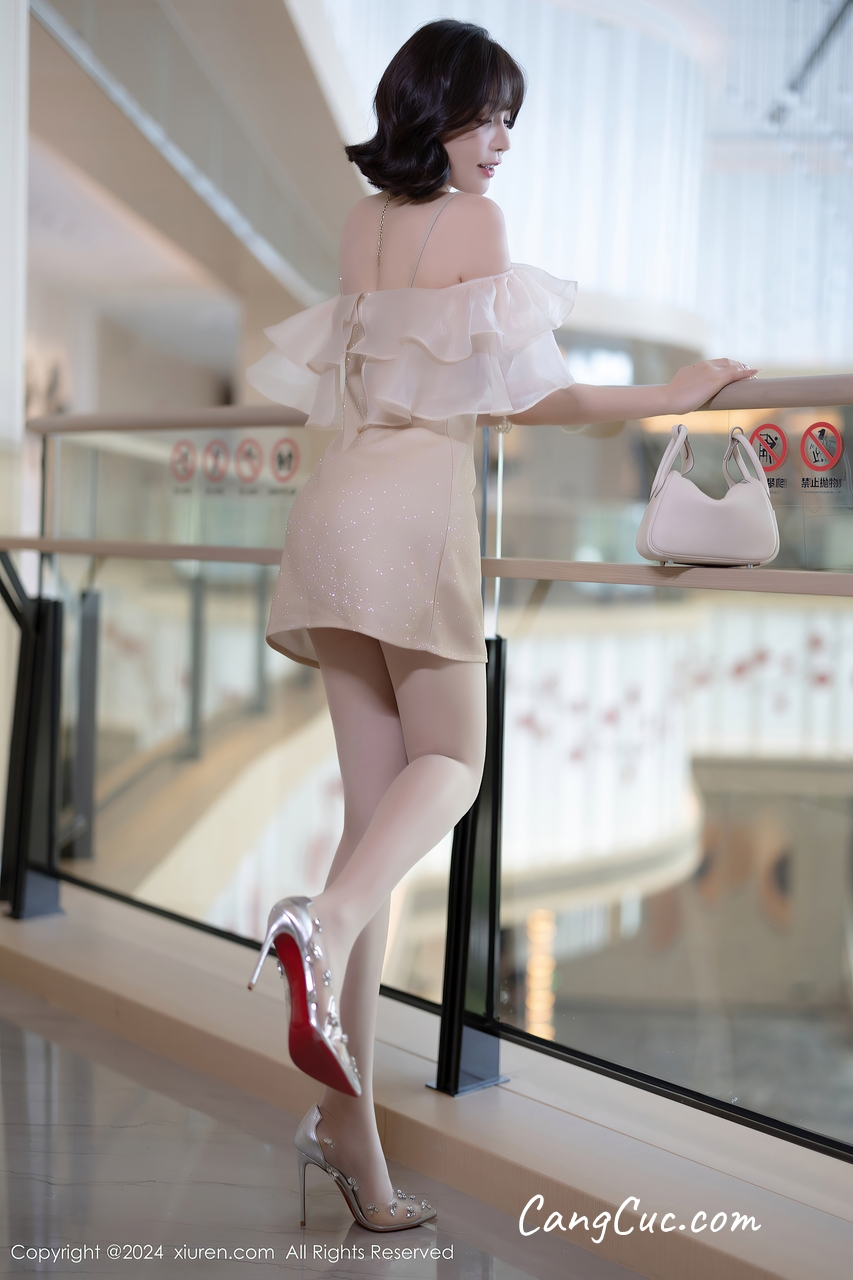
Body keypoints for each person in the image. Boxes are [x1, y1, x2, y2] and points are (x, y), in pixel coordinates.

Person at [245, 18, 756, 1232]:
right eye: (489, 116)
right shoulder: (472, 224)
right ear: (438, 108)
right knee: (456, 766)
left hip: (329, 513)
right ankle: (319, 924)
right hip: (409, 518)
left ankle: (352, 1140)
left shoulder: (360, 221)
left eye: (510, 121)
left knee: (371, 831)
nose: (502, 143)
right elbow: (538, 394)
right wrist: (670, 393)